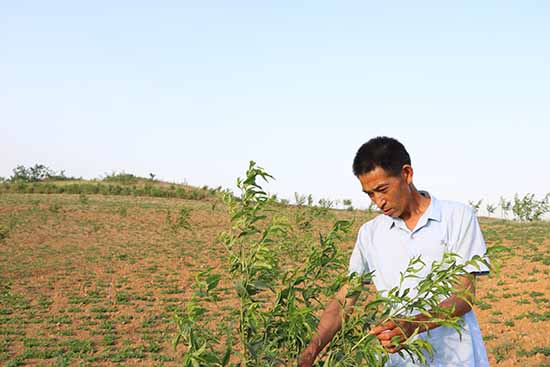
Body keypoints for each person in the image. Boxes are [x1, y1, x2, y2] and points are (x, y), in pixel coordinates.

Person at [298, 136, 490, 367]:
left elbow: (464, 296)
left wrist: (412, 324)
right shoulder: (370, 233)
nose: (378, 201)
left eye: (382, 189)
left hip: (456, 358)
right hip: (401, 360)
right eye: (369, 194)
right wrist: (311, 350)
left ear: (406, 174)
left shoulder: (457, 218)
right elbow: (345, 298)